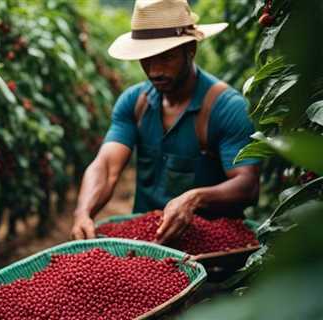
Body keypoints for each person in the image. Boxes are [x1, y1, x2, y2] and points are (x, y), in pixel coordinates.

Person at [71, 0, 260, 244]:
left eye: (166, 57)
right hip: (147, 243)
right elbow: (106, 167)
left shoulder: (226, 108)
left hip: (211, 248)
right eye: (146, 59)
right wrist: (83, 212)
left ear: (191, 49)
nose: (154, 70)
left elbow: (248, 185)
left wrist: (195, 198)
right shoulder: (134, 102)